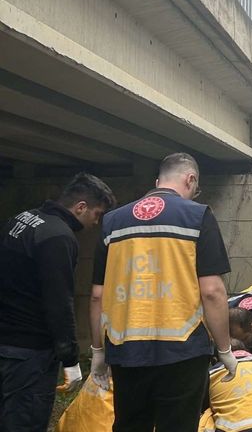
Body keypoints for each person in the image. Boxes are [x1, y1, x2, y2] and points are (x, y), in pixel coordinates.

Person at [90, 152, 237, 432]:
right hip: (183, 350)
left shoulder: (113, 222)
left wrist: (98, 351)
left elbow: (98, 294)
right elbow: (213, 291)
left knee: (130, 425)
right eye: (195, 189)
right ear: (190, 179)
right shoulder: (198, 216)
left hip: (126, 349)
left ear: (158, 181)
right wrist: (225, 348)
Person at [0, 172, 115, 431]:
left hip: (5, 342)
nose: (96, 222)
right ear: (81, 207)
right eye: (96, 214)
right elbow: (59, 303)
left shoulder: (20, 220)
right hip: (30, 353)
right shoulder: (58, 237)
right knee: (24, 422)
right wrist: (70, 359)